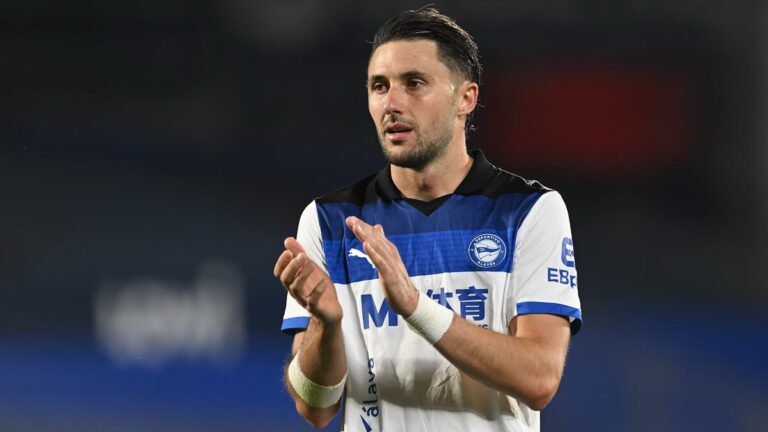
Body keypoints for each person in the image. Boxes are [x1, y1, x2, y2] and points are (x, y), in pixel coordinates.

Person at [273, 6, 582, 431]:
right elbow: (315, 407)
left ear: (465, 99)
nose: (392, 103)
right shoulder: (330, 221)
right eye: (379, 86)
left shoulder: (527, 210)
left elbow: (539, 378)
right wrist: (327, 325)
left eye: (414, 83)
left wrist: (417, 307)